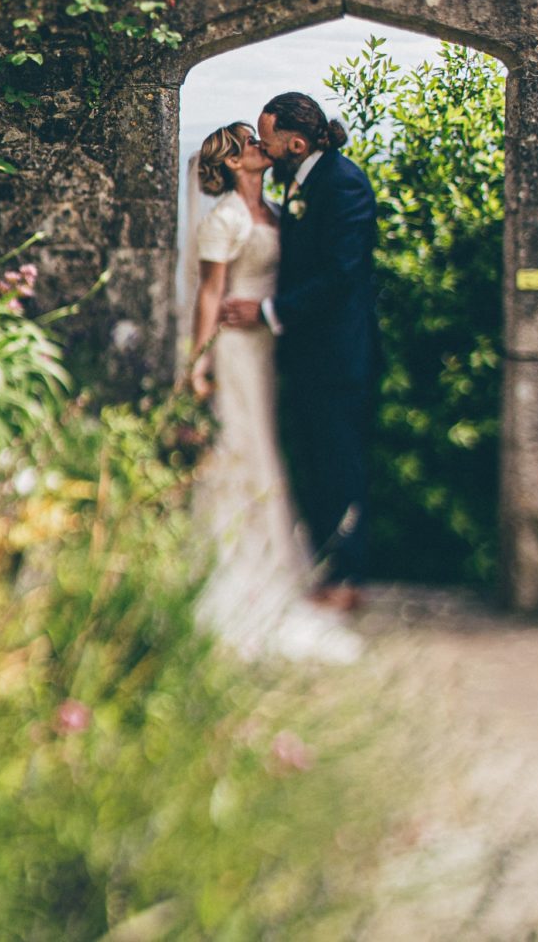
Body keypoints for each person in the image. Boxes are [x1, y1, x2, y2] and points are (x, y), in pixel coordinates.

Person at [186, 120, 360, 664]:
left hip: (268, 348)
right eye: (250, 142)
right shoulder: (225, 219)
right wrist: (198, 364)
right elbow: (209, 295)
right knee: (243, 445)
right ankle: (237, 560)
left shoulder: (276, 212)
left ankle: (279, 559)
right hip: (237, 350)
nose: (263, 147)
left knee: (269, 444)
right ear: (235, 162)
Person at [220, 92, 378, 614]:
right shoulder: (302, 181)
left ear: (295, 141)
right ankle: (326, 571)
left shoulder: (345, 183)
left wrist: (267, 312)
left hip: (339, 358)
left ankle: (348, 578)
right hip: (308, 357)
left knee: (340, 465)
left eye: (267, 141)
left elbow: (340, 277)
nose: (262, 149)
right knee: (315, 462)